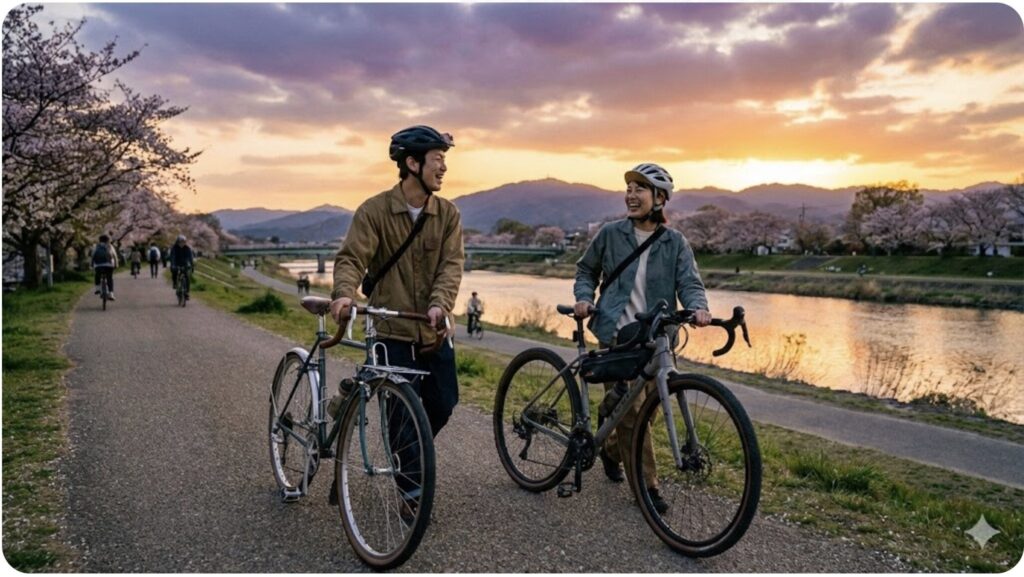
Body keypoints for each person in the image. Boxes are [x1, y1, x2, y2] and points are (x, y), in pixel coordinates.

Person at [328, 125, 464, 509]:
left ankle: (408, 458)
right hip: (390, 330)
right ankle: (412, 492)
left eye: (444, 160)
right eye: (437, 159)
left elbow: (451, 267)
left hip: (433, 330)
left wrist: (440, 304)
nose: (443, 168)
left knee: (443, 403)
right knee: (402, 413)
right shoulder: (374, 211)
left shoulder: (448, 214)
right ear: (412, 164)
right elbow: (352, 258)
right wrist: (344, 294)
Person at [573, 163, 711, 515]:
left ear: (659, 198)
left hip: (657, 340)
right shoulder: (610, 234)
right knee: (632, 414)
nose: (631, 196)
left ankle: (610, 449)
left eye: (640, 189)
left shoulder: (675, 242)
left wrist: (698, 307)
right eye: (629, 189)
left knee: (647, 414)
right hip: (617, 337)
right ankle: (648, 487)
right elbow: (586, 270)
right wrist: (584, 298)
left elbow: (690, 283)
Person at [91, 234, 118, 300]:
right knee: (109, 278)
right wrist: (116, 264)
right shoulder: (110, 246)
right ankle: (111, 294)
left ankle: (97, 288)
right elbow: (114, 256)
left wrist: (91, 264)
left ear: (99, 240)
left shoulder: (96, 246)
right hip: (109, 265)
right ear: (108, 240)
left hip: (98, 265)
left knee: (97, 275)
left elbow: (93, 255)